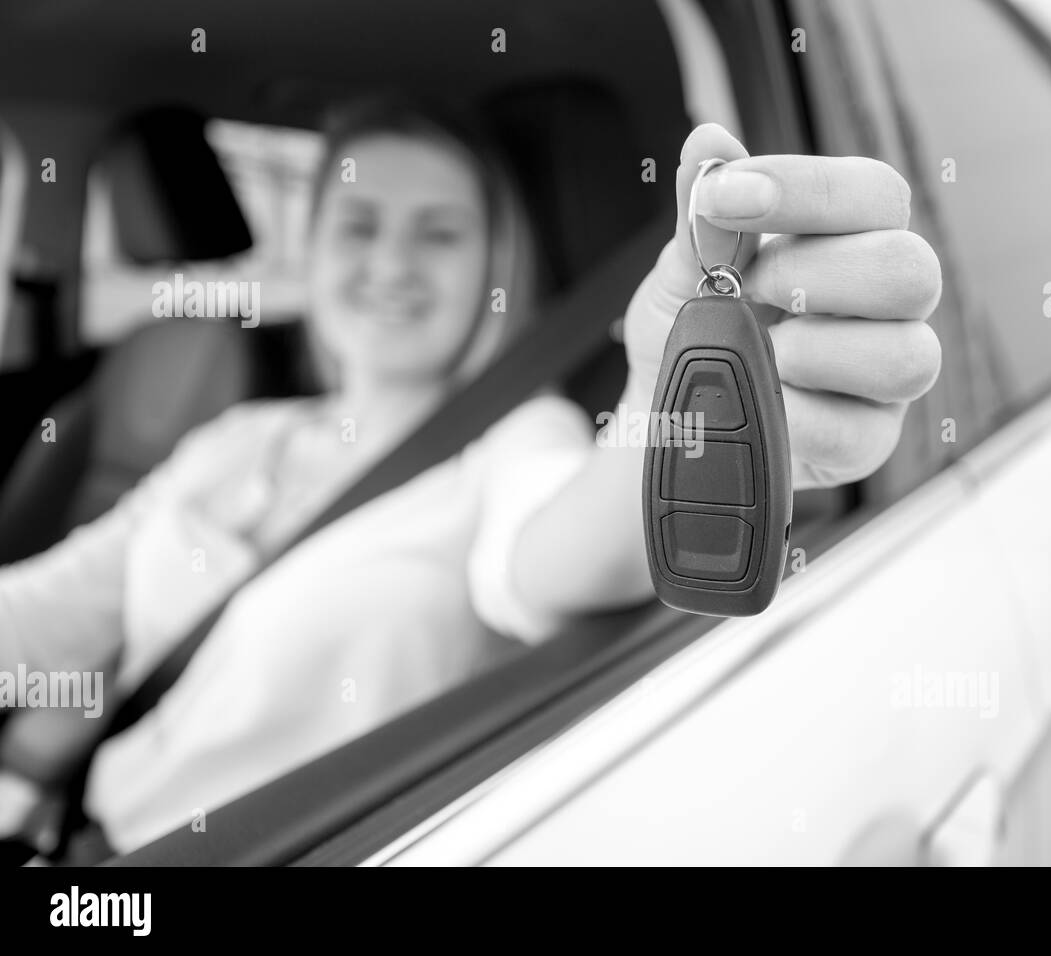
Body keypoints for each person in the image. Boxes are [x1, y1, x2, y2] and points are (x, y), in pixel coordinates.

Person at [0, 100, 941, 859]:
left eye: (439, 235)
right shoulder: (237, 435)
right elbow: (53, 611)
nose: (391, 264)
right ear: (315, 250)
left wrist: (668, 402)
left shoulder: (514, 444)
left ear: (499, 264)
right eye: (358, 225)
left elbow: (561, 553)